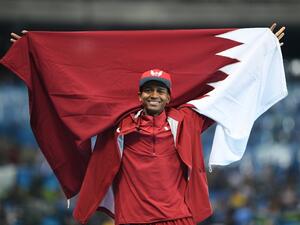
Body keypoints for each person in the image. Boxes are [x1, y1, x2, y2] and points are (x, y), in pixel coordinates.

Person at [8, 23, 286, 225]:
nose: (154, 95)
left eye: (160, 90)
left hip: (179, 219)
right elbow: (74, 89)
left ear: (169, 96)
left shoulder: (186, 121)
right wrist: (36, 53)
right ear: (139, 95)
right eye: (149, 90)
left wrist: (262, 50)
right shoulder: (117, 126)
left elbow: (229, 92)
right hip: (132, 220)